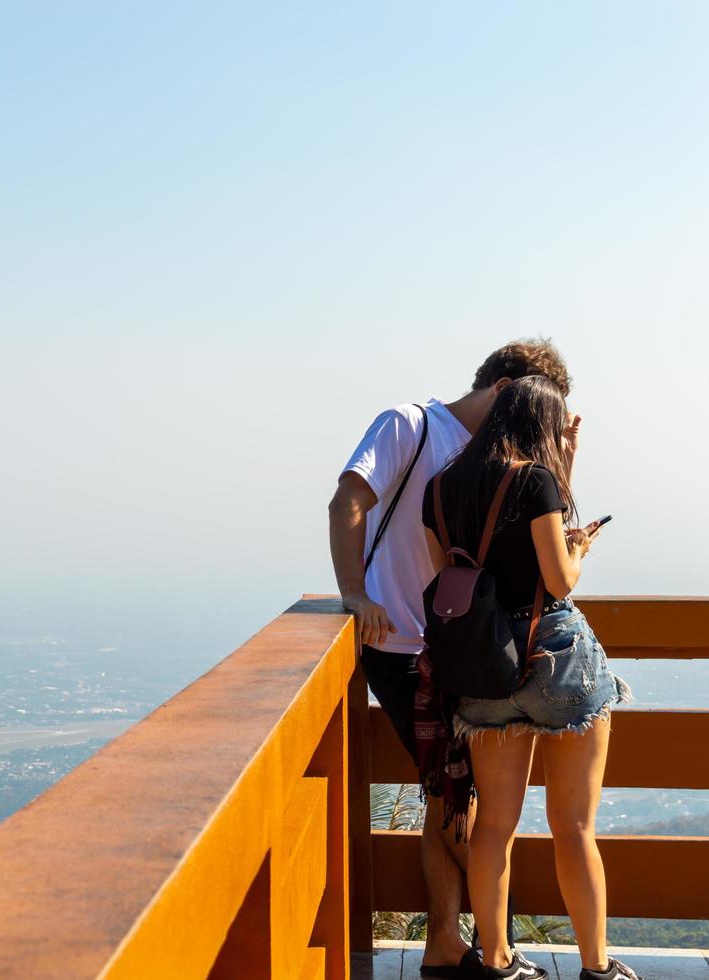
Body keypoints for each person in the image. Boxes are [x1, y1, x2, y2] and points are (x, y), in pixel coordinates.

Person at [329, 340, 571, 978]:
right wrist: (354, 594)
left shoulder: (493, 454)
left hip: (459, 650)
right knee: (462, 803)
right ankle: (489, 950)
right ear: (503, 389)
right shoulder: (409, 425)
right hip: (405, 646)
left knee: (451, 798)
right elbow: (346, 501)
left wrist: (566, 459)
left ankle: (452, 945)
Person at [421, 376, 634, 980]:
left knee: (494, 825)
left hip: (483, 669)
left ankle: (498, 960)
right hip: (553, 659)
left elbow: (451, 587)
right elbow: (560, 580)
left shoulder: (440, 489)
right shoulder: (534, 481)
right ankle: (596, 966)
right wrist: (578, 548)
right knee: (574, 826)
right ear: (543, 426)